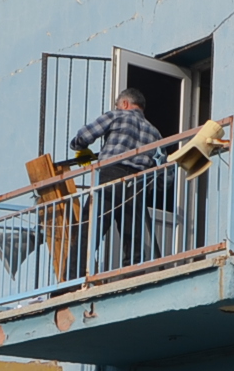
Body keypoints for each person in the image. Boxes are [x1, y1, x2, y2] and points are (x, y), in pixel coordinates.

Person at [69, 86, 170, 271]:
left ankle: (74, 276)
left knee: (90, 228)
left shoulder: (116, 115)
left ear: (125, 103)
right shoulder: (155, 133)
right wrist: (154, 187)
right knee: (133, 235)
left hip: (111, 175)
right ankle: (133, 276)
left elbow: (85, 135)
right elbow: (165, 174)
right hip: (138, 183)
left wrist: (78, 146)